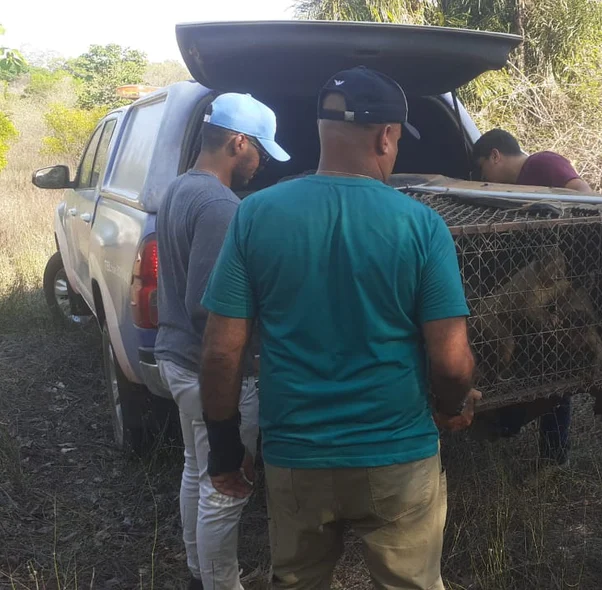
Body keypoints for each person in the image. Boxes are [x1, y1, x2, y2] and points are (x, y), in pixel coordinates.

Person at [197, 66, 480, 589]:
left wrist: (225, 448)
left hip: (296, 456)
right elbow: (451, 361)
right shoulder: (421, 225)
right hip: (397, 455)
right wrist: (450, 405)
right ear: (386, 135)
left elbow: (220, 354)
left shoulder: (255, 215)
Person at [154, 92, 290, 590]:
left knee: (198, 467)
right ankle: (221, 584)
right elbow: (210, 309)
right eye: (260, 151)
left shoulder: (180, 189)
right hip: (215, 372)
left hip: (176, 357)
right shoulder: (220, 207)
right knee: (227, 488)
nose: (261, 165)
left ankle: (198, 575)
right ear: (238, 143)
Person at [471, 129, 602, 489]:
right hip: (543, 292)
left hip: (572, 286)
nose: (484, 178)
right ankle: (554, 456)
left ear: (495, 155)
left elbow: (586, 198)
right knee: (553, 374)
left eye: (483, 167)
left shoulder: (543, 163)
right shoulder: (513, 188)